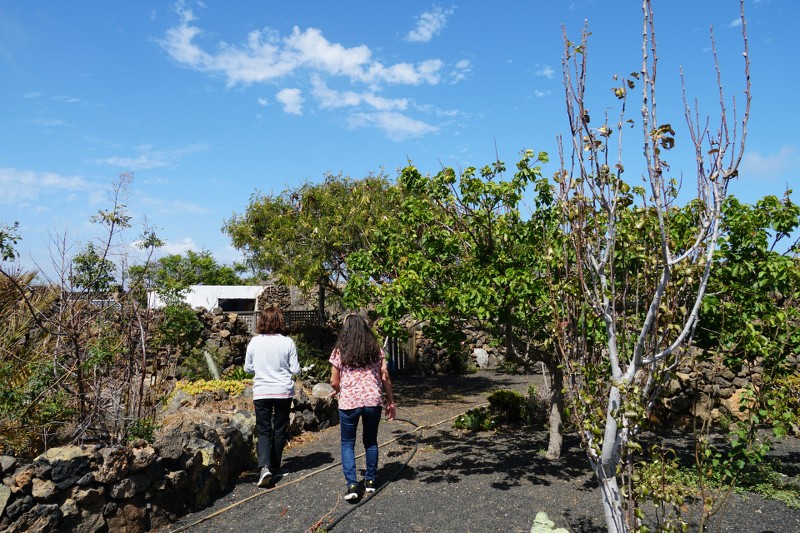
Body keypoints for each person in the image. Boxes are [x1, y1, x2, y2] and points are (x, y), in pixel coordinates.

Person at [329, 313, 396, 503]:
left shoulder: (340, 350)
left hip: (349, 402)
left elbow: (334, 382)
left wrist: (342, 389)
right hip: (372, 400)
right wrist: (390, 401)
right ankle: (371, 481)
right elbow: (385, 377)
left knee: (347, 443)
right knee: (371, 441)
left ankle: (352, 485)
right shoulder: (376, 350)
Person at [244, 305, 300, 488]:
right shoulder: (287, 342)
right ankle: (275, 466)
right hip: (283, 390)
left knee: (264, 430)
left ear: (261, 321)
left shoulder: (254, 342)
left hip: (262, 391)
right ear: (280, 321)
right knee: (280, 428)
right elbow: (295, 369)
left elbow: (248, 368)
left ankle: (264, 467)